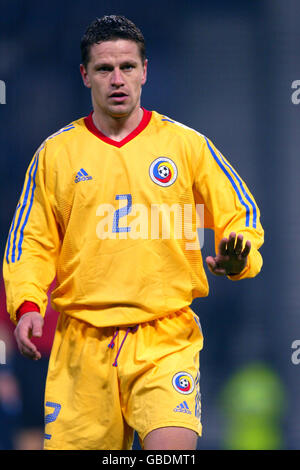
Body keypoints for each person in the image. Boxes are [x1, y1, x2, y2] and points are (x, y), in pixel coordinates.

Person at [2, 15, 264, 451]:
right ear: (85, 76)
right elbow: (30, 241)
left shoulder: (187, 147)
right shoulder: (56, 154)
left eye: (127, 67)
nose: (117, 79)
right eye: (105, 69)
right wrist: (27, 303)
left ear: (145, 70)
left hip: (164, 337)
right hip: (82, 345)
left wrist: (240, 258)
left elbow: (241, 215)